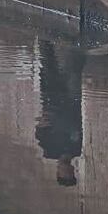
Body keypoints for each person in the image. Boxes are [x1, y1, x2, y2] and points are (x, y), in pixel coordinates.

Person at [34, 40, 85, 187]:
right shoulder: (76, 150)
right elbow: (78, 126)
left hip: (52, 102)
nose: (69, 170)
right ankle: (77, 42)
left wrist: (43, 121)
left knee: (48, 65)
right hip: (72, 101)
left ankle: (44, 38)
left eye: (65, 173)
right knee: (74, 70)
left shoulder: (49, 150)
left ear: (58, 171)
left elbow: (41, 127)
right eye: (71, 172)